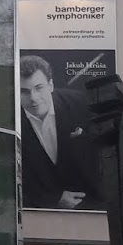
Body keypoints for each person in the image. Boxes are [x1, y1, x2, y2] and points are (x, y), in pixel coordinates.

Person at [19, 54, 103, 210]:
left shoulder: (80, 104)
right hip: (38, 210)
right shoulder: (9, 119)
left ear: (50, 85)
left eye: (39, 88)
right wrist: (53, 199)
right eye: (24, 91)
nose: (33, 98)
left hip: (93, 204)